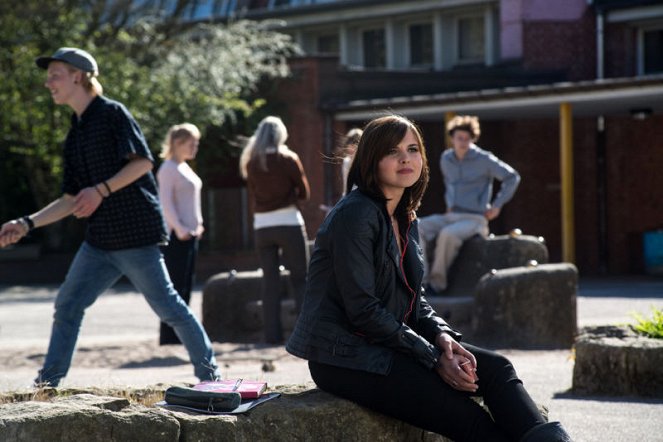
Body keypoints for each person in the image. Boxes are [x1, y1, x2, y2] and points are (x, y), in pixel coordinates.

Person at [286, 115, 571, 441]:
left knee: (496, 370)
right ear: (371, 160)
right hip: (345, 357)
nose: (406, 158)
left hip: (387, 344)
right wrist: (434, 360)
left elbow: (415, 301)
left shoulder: (405, 215)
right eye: (393, 151)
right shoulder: (356, 213)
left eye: (412, 148)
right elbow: (363, 309)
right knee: (468, 419)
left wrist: (443, 338)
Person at [0, 47, 220, 387]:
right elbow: (71, 199)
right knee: (68, 305)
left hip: (135, 236)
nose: (48, 84)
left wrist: (100, 190)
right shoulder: (75, 132)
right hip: (99, 242)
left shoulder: (112, 113)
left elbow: (143, 162)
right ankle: (47, 385)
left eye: (54, 75)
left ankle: (211, 377)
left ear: (79, 76)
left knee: (169, 309)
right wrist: (26, 223)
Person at [419, 115, 520, 294]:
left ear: (473, 139)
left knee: (447, 235)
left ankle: (436, 285)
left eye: (467, 138)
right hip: (450, 215)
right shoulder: (446, 159)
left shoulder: (484, 159)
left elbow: (512, 177)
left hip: (476, 219)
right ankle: (421, 282)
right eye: (459, 138)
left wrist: (497, 205)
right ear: (452, 138)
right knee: (416, 226)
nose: (463, 142)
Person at [239, 116, 310, 344]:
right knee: (300, 278)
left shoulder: (251, 162)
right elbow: (304, 192)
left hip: (262, 226)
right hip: (289, 222)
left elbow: (253, 192)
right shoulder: (288, 159)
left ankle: (272, 336)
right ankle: (305, 334)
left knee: (269, 281)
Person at [156, 123, 204, 345]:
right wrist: (180, 228)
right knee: (174, 287)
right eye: (191, 143)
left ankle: (181, 336)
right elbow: (165, 204)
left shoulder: (184, 167)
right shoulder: (168, 168)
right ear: (177, 143)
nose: (195, 147)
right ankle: (169, 337)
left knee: (185, 286)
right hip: (176, 236)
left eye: (196, 143)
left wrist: (199, 224)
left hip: (191, 234)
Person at [340, 127, 363, 195]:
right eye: (349, 143)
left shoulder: (366, 162)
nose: (350, 147)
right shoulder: (346, 161)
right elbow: (346, 184)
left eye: (355, 144)